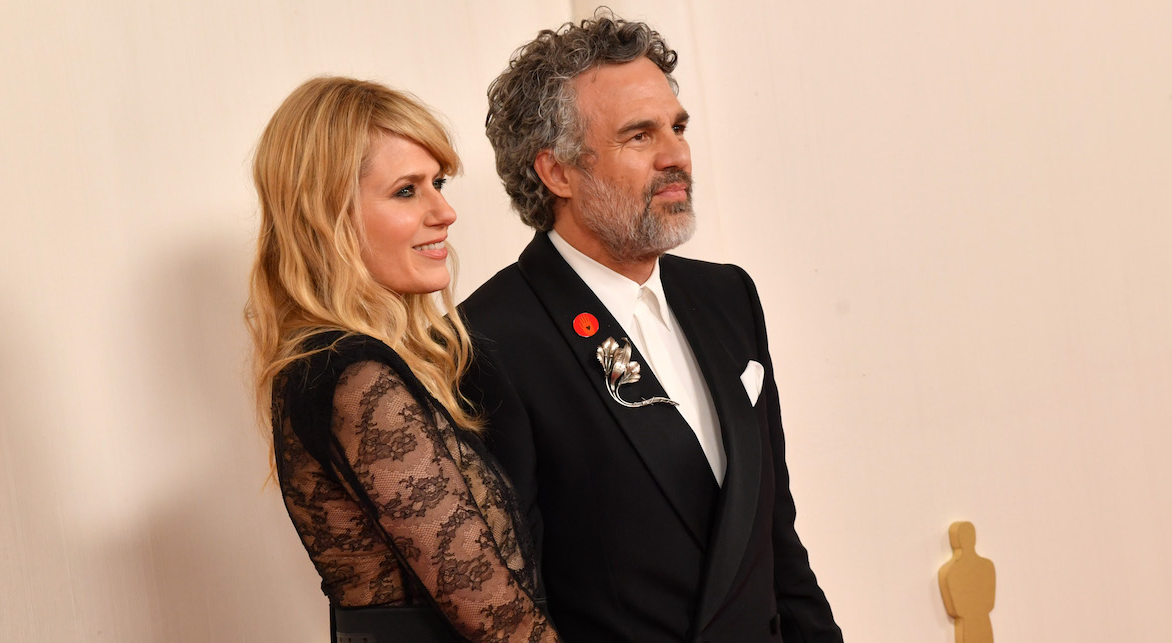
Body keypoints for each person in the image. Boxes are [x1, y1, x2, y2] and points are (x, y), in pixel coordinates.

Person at [459, 12, 844, 642]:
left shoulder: (727, 295)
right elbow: (513, 601)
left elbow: (775, 537)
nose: (676, 156)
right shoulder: (489, 338)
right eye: (639, 136)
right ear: (557, 172)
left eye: (678, 127)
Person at [246, 76, 559, 643]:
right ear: (326, 216)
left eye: (438, 183)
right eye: (407, 191)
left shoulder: (345, 364)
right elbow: (498, 622)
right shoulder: (355, 376)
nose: (445, 211)